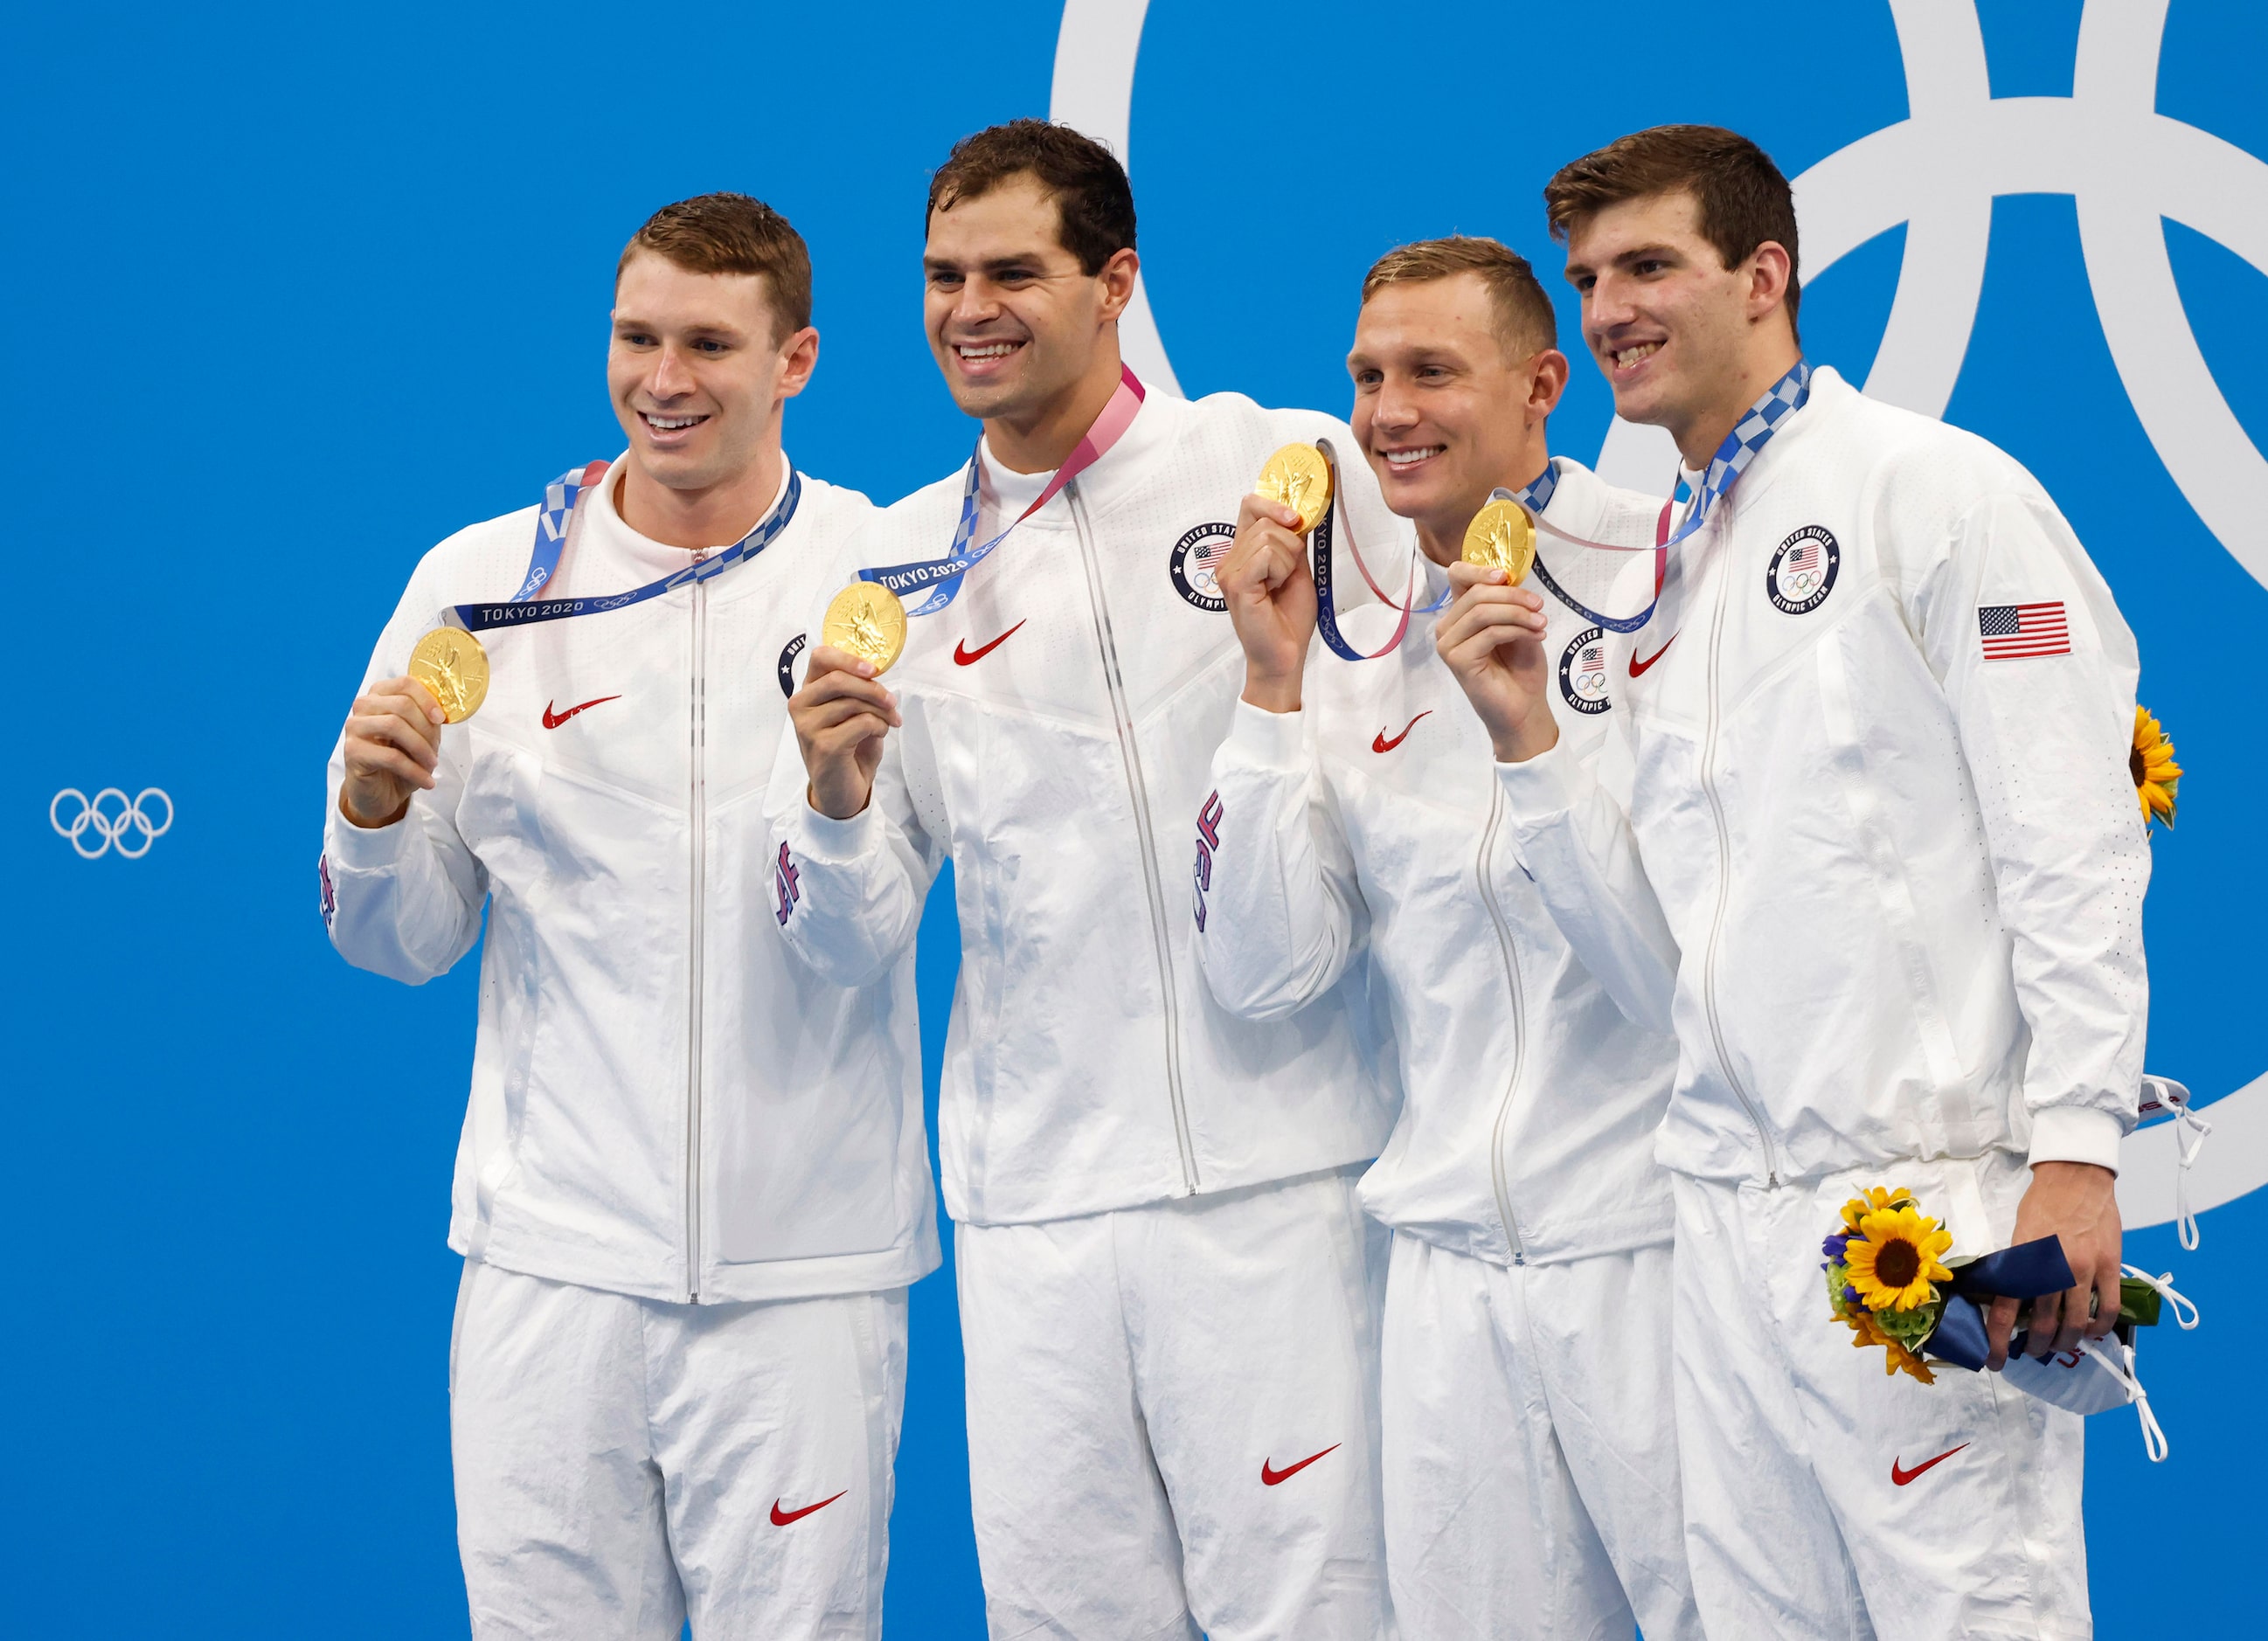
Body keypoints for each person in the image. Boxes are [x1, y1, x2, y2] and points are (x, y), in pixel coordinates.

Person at [1449, 125, 2146, 1638]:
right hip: (1721, 1230)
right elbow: (1662, 971)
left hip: (1926, 1199)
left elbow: (2072, 836)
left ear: (1765, 276)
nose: (1610, 309)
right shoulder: (1667, 584)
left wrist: (2082, 1142)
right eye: (1587, 278)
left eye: (1649, 265)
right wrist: (1527, 747)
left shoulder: (1936, 491)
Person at [768, 120, 1398, 1640]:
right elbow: (846, 947)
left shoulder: (1283, 469)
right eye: (939, 276)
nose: (967, 308)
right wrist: (838, 804)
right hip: (1034, 1215)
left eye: (1011, 272)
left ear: (1115, 282)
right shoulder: (893, 570)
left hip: (1280, 1182)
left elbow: (1420, 768)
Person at [320, 193, 937, 1639]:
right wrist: (368, 814)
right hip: (551, 1271)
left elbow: (860, 942)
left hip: (804, 1275)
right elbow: (397, 939)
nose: (665, 377)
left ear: (797, 360)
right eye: (638, 336)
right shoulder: (475, 584)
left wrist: (839, 802)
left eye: (710, 343)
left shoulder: (878, 573)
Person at [1194, 235, 1701, 1641]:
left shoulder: (1666, 586)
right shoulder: (1358, 642)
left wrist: (1529, 742)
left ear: (1545, 383)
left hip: (1651, 1253)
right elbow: (1258, 971)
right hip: (1446, 1283)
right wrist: (1268, 688)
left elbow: (1685, 988)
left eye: (1431, 371)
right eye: (1366, 376)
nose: (1388, 413)